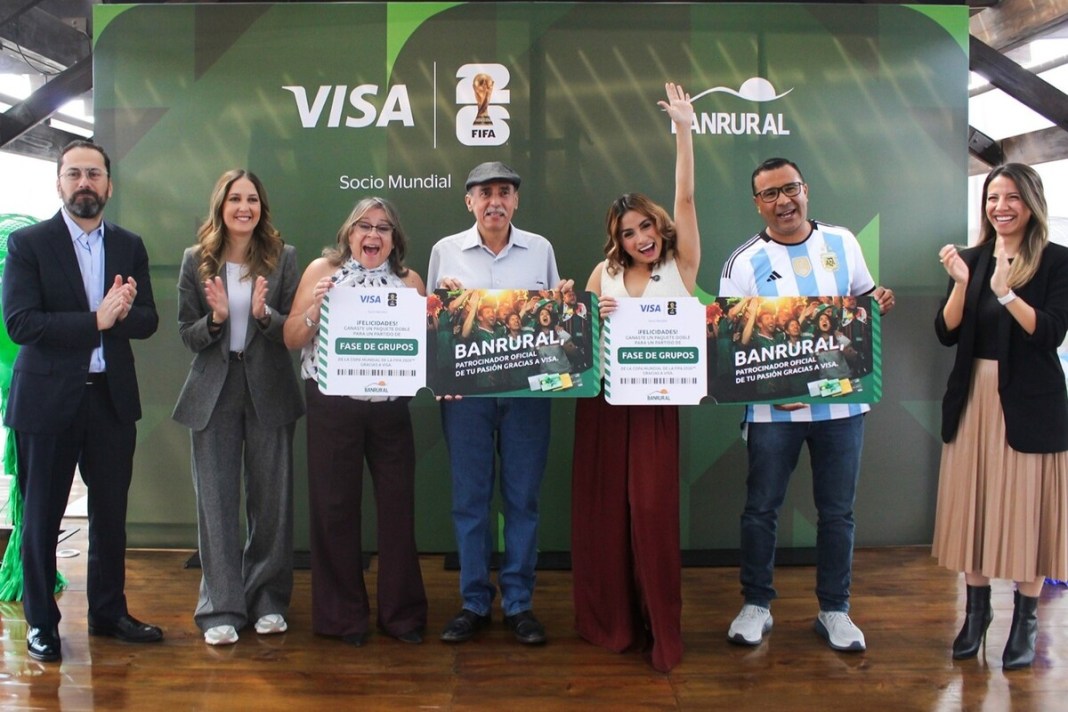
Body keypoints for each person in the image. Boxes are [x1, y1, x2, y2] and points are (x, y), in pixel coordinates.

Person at [718, 157, 895, 652]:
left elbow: (863, 305)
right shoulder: (742, 261)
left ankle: (835, 610)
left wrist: (878, 300)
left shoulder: (843, 242)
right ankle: (756, 604)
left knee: (837, 513)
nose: (783, 201)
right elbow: (734, 347)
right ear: (758, 203)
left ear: (805, 189)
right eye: (770, 194)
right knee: (761, 509)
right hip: (775, 415)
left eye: (789, 188)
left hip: (842, 411)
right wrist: (778, 391)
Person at [2, 140, 162, 662]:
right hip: (47, 402)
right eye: (74, 174)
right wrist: (97, 319)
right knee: (42, 516)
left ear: (109, 185)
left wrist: (124, 311)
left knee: (111, 515)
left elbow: (147, 321)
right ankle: (42, 623)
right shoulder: (28, 244)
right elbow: (21, 323)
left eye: (94, 173)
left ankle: (109, 612)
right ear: (59, 183)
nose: (84, 182)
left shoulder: (128, 244)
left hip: (111, 402)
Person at [570, 82, 700, 672]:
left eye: (646, 226)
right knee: (606, 516)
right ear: (617, 239)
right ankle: (612, 622)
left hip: (654, 408)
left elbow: (689, 197)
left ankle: (659, 628)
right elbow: (582, 344)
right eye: (628, 232)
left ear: (659, 224)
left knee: (649, 513)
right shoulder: (603, 272)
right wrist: (588, 313)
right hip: (604, 405)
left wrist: (683, 132)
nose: (640, 238)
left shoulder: (682, 264)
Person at [427, 160, 572, 645]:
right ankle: (473, 601)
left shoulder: (541, 249)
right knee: (470, 501)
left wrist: (564, 304)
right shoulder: (445, 251)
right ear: (469, 201)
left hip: (528, 395)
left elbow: (554, 321)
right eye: (485, 192)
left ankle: (518, 603)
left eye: (505, 192)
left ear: (516, 200)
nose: (495, 201)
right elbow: (433, 327)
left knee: (522, 500)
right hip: (466, 397)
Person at [932, 163, 1068, 670]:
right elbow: (947, 332)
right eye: (992, 197)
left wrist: (1008, 292)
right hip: (974, 399)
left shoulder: (1057, 262)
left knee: (1027, 512)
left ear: (1031, 203)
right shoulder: (972, 259)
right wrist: (964, 285)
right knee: (975, 507)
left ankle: (1026, 620)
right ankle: (976, 615)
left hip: (1030, 403)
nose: (1000, 207)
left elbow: (1049, 332)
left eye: (1011, 197)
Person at [283, 197, 428, 647]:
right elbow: (291, 337)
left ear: (394, 239)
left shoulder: (409, 281)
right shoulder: (320, 272)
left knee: (398, 509)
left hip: (390, 408)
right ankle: (341, 617)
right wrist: (315, 309)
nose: (373, 235)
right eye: (364, 226)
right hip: (332, 403)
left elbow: (426, 346)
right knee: (333, 509)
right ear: (349, 234)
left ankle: (401, 616)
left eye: (383, 228)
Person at [172, 169, 304, 646]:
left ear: (261, 208)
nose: (243, 207)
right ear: (221, 207)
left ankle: (268, 600)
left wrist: (266, 315)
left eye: (252, 198)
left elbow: (293, 331)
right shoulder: (196, 261)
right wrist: (217, 320)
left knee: (271, 504)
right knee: (216, 503)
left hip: (269, 388)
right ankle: (221, 607)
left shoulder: (283, 259)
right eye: (234, 199)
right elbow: (187, 332)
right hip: (214, 391)